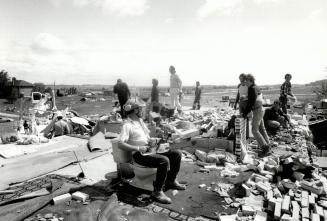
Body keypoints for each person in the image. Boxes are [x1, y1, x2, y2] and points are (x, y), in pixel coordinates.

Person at [118, 100, 186, 204]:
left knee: (176, 154)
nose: (143, 111)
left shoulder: (140, 122)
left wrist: (153, 140)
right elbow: (120, 144)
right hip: (139, 155)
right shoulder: (127, 125)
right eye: (140, 109)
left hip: (149, 150)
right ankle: (157, 192)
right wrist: (138, 148)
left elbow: (146, 138)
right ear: (135, 110)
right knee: (164, 160)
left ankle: (171, 180)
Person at [242, 74, 270, 157]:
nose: (244, 82)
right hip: (260, 109)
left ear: (250, 80)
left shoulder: (252, 88)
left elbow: (251, 102)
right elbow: (253, 98)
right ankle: (268, 145)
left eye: (246, 80)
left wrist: (245, 112)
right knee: (261, 129)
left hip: (257, 110)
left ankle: (265, 148)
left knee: (254, 130)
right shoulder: (255, 87)